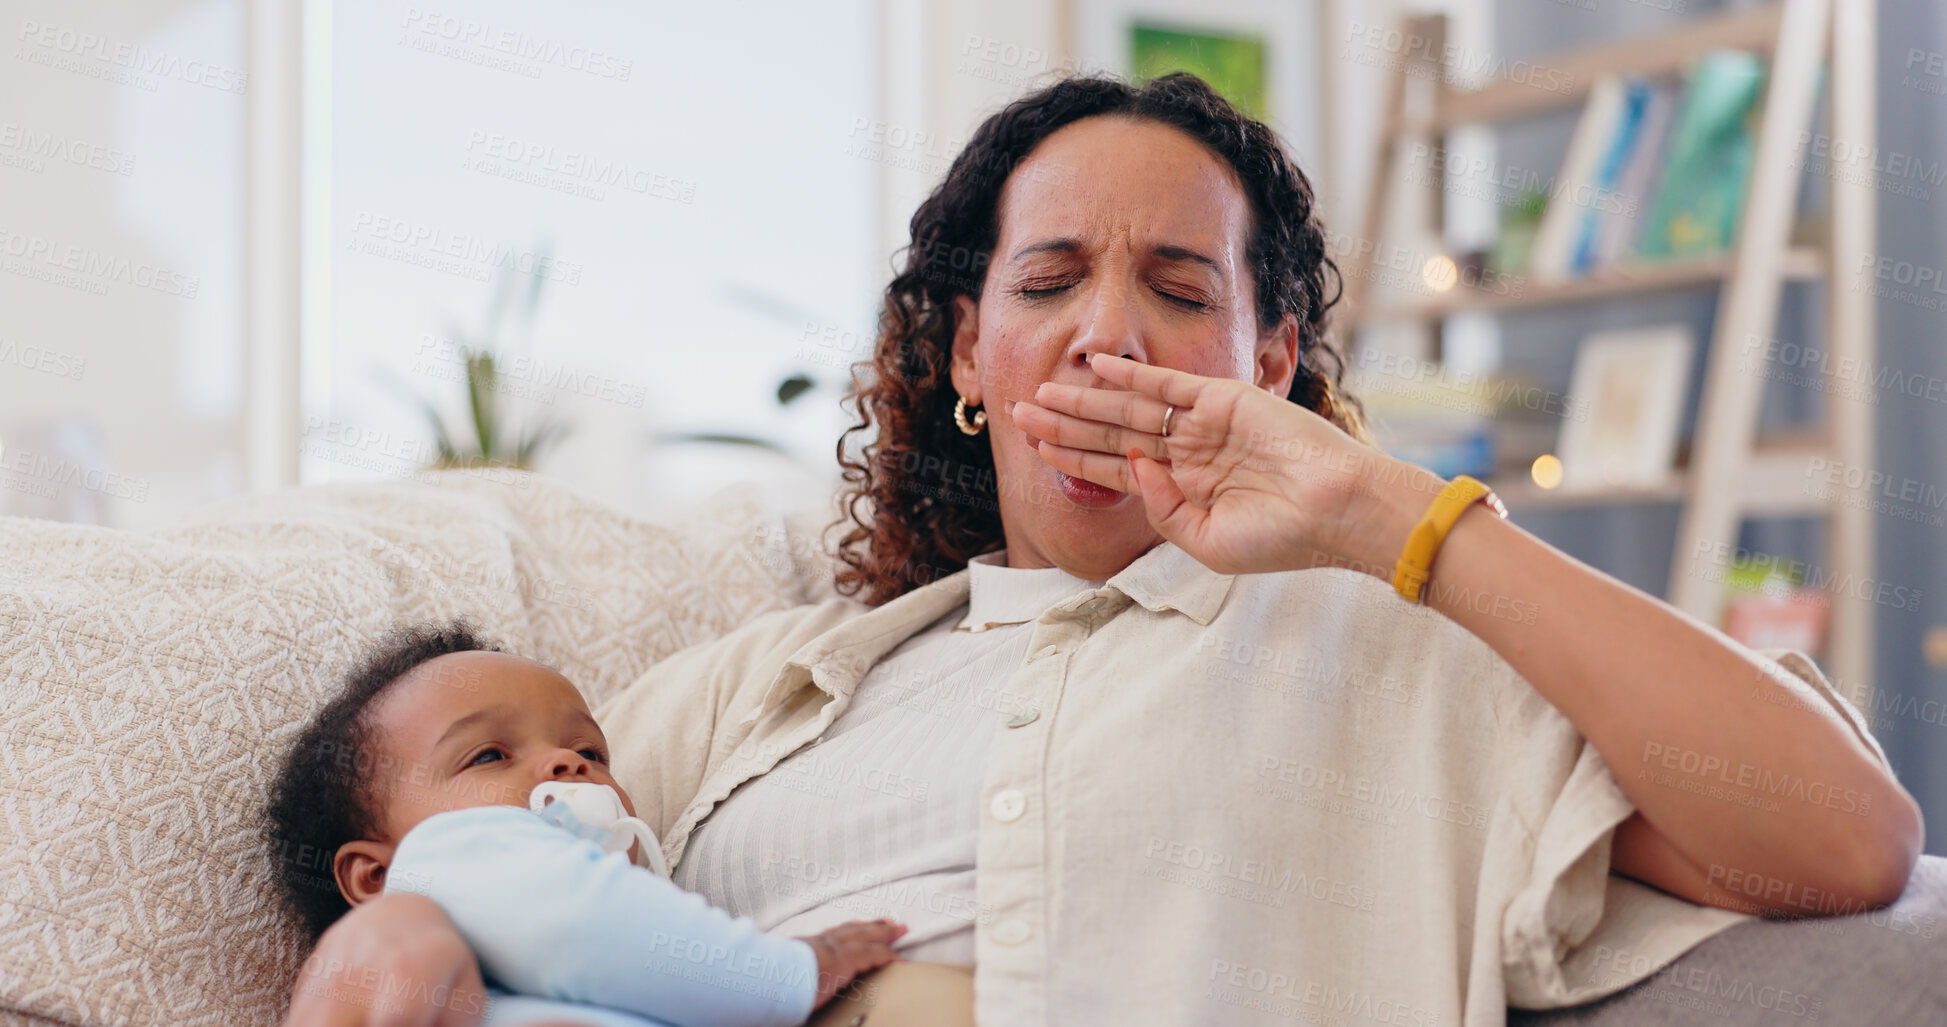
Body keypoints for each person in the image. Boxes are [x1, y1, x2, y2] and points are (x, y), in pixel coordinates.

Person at [284, 73, 1920, 1027]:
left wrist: (1379, 513)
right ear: (967, 362)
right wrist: (401, 924)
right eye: (1048, 282)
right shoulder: (747, 695)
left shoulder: (1406, 649)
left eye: (1182, 291)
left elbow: (1836, 850)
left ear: (1269, 357)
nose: (1106, 338)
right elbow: (507, 878)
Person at [264, 624, 908, 1027]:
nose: (565, 762)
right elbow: (576, 920)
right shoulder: (447, 858)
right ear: (378, 876)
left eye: (592, 753)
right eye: (488, 755)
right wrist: (784, 975)